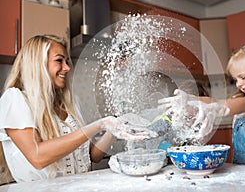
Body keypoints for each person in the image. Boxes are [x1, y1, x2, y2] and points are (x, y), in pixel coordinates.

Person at [0, 35, 157, 184]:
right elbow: (37, 157)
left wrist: (114, 127)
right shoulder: (15, 100)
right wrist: (100, 124)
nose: (67, 68)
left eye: (66, 61)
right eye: (59, 60)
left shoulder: (69, 104)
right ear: (37, 64)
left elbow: (92, 155)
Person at [159, 40, 245, 167]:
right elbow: (214, 102)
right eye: (235, 79)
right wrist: (191, 100)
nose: (239, 84)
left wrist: (218, 108)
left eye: (243, 77)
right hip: (242, 168)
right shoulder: (238, 98)